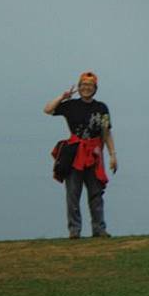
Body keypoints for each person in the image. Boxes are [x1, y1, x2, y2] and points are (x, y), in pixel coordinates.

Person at [44, 71, 118, 239]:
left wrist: (113, 155)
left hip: (94, 153)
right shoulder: (70, 105)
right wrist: (63, 97)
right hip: (74, 153)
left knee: (96, 193)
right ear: (79, 87)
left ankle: (99, 229)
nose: (86, 88)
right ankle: (74, 230)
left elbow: (106, 132)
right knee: (73, 193)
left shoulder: (101, 108)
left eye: (90, 86)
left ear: (95, 88)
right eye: (83, 85)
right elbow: (47, 109)